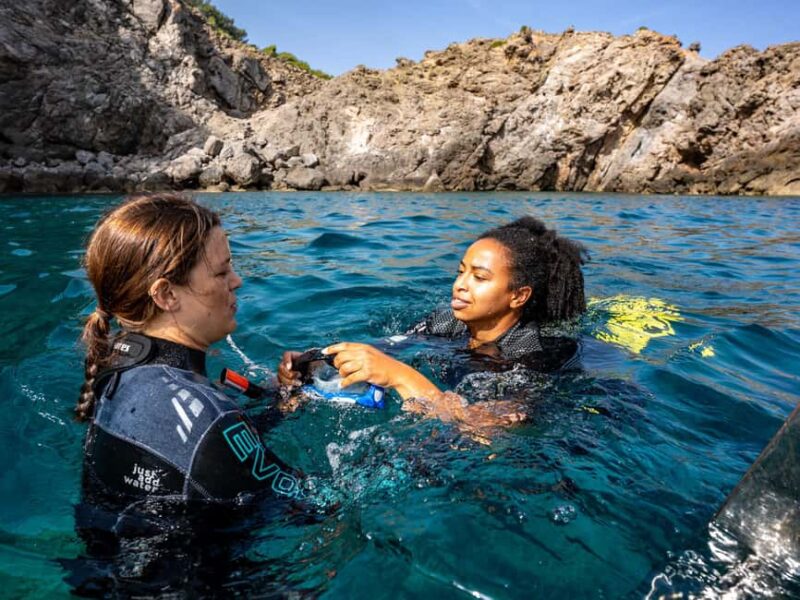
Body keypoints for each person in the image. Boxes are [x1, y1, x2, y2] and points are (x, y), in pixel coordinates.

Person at [77, 193, 303, 506]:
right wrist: (396, 383)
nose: (236, 281)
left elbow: (197, 448)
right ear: (167, 294)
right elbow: (318, 505)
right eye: (222, 272)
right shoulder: (211, 419)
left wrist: (282, 397)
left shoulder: (119, 366)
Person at [278, 216, 587, 427]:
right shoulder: (444, 324)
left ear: (518, 296)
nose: (460, 285)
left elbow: (485, 431)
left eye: (479, 277)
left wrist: (400, 376)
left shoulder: (539, 352)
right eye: (461, 271)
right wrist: (319, 362)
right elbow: (384, 351)